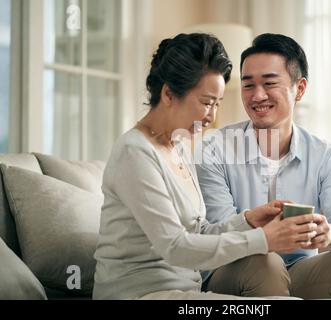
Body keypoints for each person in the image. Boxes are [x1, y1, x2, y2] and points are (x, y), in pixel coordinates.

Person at [92, 33, 316, 300]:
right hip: (140, 294)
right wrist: (264, 239)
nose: (211, 117)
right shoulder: (134, 153)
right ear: (168, 93)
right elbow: (175, 247)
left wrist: (247, 221)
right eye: (207, 102)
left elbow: (197, 233)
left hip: (186, 292)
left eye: (217, 104)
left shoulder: (180, 147)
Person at [196, 33, 331, 298]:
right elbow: (221, 236)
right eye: (248, 86)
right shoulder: (214, 149)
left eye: (269, 83)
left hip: (298, 269)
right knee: (265, 265)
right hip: (233, 269)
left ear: (300, 88)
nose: (257, 96)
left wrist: (330, 233)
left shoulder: (323, 154)